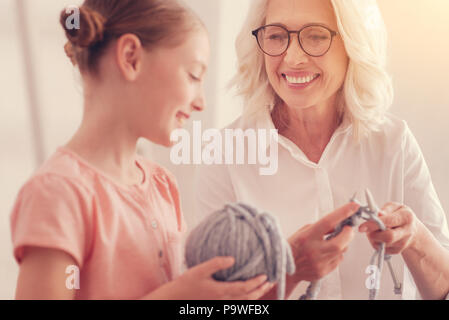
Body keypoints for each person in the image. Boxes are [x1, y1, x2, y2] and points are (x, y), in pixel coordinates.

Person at [10, 0, 273, 300]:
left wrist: (292, 268)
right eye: (194, 76)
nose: (202, 102)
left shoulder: (162, 184)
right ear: (131, 57)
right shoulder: (58, 193)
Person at [195, 0, 449, 300]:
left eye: (315, 35)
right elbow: (207, 305)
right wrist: (290, 271)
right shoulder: (224, 154)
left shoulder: (394, 142)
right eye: (276, 36)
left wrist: (415, 237)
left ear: (353, 45)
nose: (292, 57)